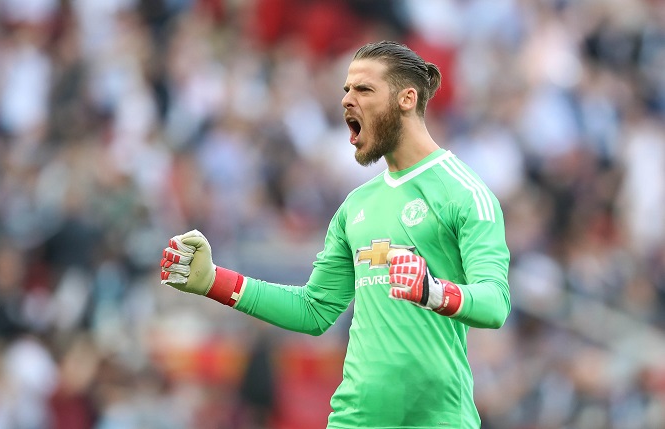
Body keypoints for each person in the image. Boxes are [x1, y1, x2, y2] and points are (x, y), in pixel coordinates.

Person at [160, 40, 511, 429]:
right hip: (355, 418)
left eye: (363, 89)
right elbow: (314, 310)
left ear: (406, 99)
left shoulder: (464, 191)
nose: (347, 99)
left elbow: (495, 303)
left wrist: (435, 291)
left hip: (437, 419)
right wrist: (213, 281)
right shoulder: (355, 206)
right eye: (346, 89)